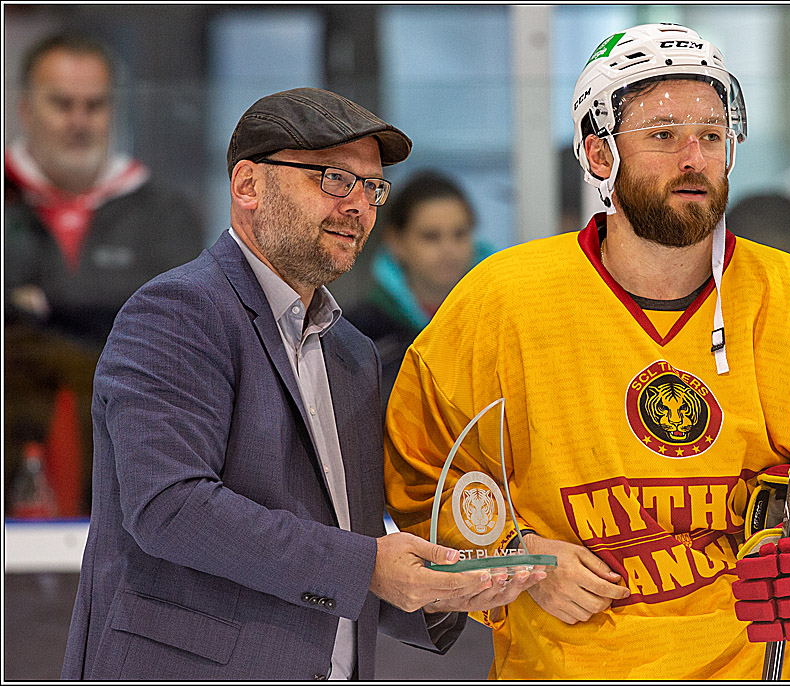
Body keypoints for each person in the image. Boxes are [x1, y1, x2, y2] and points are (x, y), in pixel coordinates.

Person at [383, 24, 790, 680]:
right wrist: (516, 556)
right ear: (600, 157)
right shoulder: (502, 305)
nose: (694, 157)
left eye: (712, 135)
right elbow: (420, 477)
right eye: (662, 135)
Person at [60, 87, 543, 681]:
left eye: (372, 188)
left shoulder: (352, 352)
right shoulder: (179, 310)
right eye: (334, 179)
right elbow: (169, 506)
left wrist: (439, 592)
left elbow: (346, 542)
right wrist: (367, 566)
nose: (359, 207)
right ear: (248, 186)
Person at [4, 33, 205, 516]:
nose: (79, 122)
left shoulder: (167, 214)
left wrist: (38, 307)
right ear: (26, 109)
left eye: (94, 105)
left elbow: (172, 334)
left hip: (128, 450)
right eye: (62, 104)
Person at [344, 171, 487, 397]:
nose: (449, 249)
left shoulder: (492, 321)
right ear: (396, 242)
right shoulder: (358, 333)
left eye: (459, 234)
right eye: (431, 236)